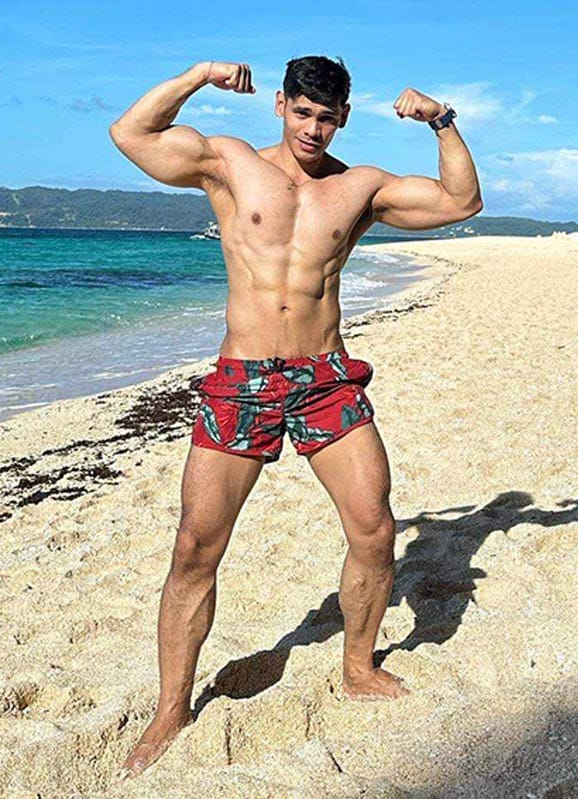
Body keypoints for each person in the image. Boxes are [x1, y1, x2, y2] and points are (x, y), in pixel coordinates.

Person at [109, 55, 482, 779]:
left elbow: (461, 202)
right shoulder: (230, 164)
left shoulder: (358, 187)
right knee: (195, 546)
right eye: (302, 112)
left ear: (343, 118)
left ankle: (357, 667)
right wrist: (198, 75)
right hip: (243, 380)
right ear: (280, 104)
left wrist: (441, 120)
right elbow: (132, 133)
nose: (312, 128)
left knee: (375, 529)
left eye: (326, 117)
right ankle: (171, 707)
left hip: (324, 380)